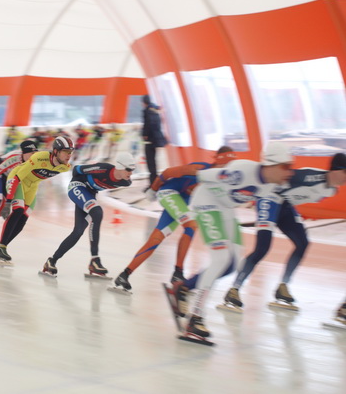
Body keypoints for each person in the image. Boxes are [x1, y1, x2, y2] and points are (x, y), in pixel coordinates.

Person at [166, 142, 293, 343]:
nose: (289, 172)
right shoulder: (241, 172)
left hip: (225, 209)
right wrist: (174, 182)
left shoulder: (271, 186)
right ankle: (195, 319)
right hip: (206, 203)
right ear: (271, 165)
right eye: (286, 167)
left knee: (232, 265)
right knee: (221, 259)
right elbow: (203, 176)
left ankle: (182, 288)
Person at [223, 152, 346, 311]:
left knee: (302, 243)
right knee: (263, 248)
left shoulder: (332, 190)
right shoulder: (310, 176)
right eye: (345, 172)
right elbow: (276, 179)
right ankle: (234, 289)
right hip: (269, 198)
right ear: (335, 170)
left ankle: (283, 287)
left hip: (285, 206)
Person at [112, 146, 236, 293]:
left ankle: (124, 274)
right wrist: (153, 188)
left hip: (182, 200)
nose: (227, 169)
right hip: (169, 192)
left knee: (156, 239)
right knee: (191, 226)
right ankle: (178, 273)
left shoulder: (219, 181)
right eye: (226, 164)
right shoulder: (200, 169)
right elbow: (168, 172)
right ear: (219, 162)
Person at [41, 152, 136, 278]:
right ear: (119, 166)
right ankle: (95, 260)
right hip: (78, 186)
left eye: (133, 169)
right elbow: (76, 170)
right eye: (128, 169)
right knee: (97, 212)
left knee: (78, 231)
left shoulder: (126, 182)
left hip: (90, 194)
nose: (131, 173)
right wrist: (77, 184)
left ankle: (51, 261)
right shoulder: (102, 169)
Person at [0, 136, 74, 263]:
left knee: (23, 219)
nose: (69, 155)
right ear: (56, 151)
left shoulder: (65, 167)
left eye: (70, 152)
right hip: (17, 180)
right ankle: (2, 247)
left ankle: (1, 247)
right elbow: (18, 176)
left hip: (32, 186)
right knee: (18, 211)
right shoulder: (39, 158)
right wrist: (8, 201)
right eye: (66, 152)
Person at [142, 95, 168, 186]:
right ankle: (155, 182)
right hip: (157, 139)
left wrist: (145, 135)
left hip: (150, 141)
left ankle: (153, 184)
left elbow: (148, 125)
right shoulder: (156, 110)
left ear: (144, 102)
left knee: (151, 163)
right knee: (154, 163)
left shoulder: (147, 111)